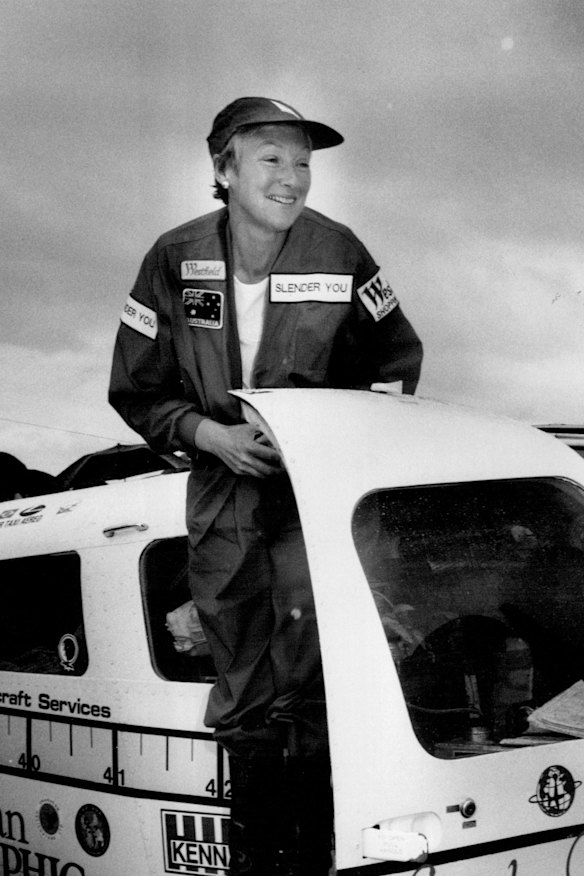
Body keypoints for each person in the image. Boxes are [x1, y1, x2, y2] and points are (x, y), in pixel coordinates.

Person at [109, 96, 423, 875]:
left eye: (304, 164)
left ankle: (321, 855)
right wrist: (206, 433)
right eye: (272, 160)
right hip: (223, 498)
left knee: (321, 673)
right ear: (224, 169)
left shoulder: (342, 253)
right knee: (242, 679)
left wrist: (330, 442)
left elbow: (398, 365)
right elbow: (136, 389)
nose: (292, 179)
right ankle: (256, 861)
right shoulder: (173, 260)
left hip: (318, 504)